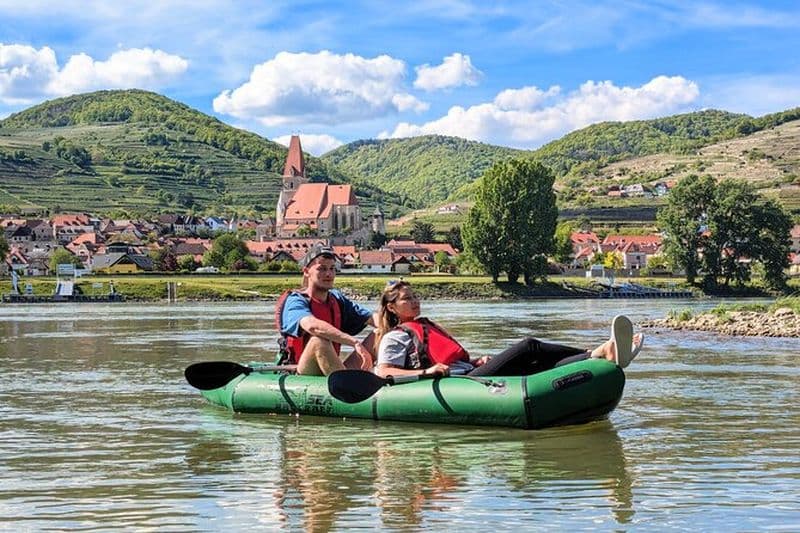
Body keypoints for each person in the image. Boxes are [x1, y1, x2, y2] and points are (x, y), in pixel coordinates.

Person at [374, 281, 644, 378]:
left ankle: (600, 356)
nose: (415, 301)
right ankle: (596, 351)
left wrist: (473, 360)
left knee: (537, 363)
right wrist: (427, 371)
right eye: (407, 299)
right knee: (529, 346)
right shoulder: (395, 337)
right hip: (461, 383)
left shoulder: (425, 326)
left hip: (470, 371)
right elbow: (384, 371)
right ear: (392, 308)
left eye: (415, 296)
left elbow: (447, 356)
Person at [278, 244, 377, 376]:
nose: (329, 274)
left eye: (332, 269)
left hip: (331, 369)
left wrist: (401, 327)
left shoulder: (337, 299)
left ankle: (386, 375)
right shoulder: (295, 301)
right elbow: (313, 327)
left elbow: (373, 318)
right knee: (319, 340)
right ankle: (346, 391)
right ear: (306, 272)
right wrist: (354, 342)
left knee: (380, 333)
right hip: (300, 372)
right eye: (322, 269)